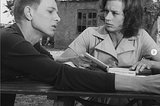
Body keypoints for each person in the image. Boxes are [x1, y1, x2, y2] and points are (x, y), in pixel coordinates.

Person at [0, 0, 160, 106]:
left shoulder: (27, 43)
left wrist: (152, 63)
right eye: (50, 11)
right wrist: (140, 84)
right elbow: (61, 72)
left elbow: (49, 64)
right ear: (29, 13)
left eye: (115, 13)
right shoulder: (10, 41)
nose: (58, 18)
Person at [56, 0, 160, 105]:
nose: (107, 18)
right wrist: (72, 59)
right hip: (93, 99)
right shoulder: (90, 34)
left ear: (129, 16)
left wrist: (151, 63)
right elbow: (58, 64)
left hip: (129, 99)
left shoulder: (140, 36)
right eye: (106, 11)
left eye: (114, 13)